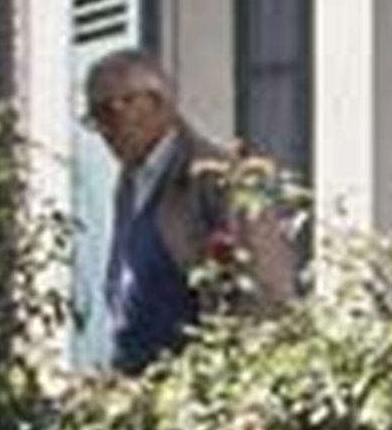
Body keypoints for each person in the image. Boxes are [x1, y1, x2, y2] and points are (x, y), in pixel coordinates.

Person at [78, 48, 296, 376]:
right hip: (136, 381)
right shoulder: (130, 180)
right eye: (95, 119)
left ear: (156, 103)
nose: (105, 131)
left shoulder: (218, 179)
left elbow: (265, 293)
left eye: (111, 112)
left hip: (195, 385)